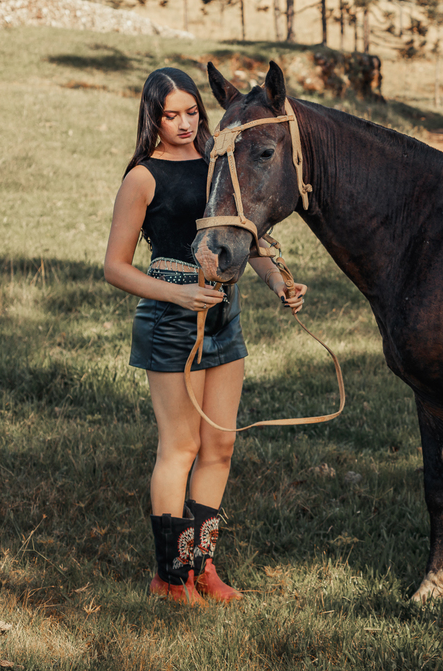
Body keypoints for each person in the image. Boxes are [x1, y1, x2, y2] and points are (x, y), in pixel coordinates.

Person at [105, 67, 307, 605]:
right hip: (170, 321)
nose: (184, 122)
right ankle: (169, 576)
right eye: (171, 114)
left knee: (220, 445)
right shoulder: (143, 178)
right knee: (181, 446)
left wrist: (277, 281)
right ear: (153, 117)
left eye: (191, 111)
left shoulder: (222, 162)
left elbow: (248, 238)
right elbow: (115, 267)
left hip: (225, 318)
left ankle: (202, 567)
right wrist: (177, 295)